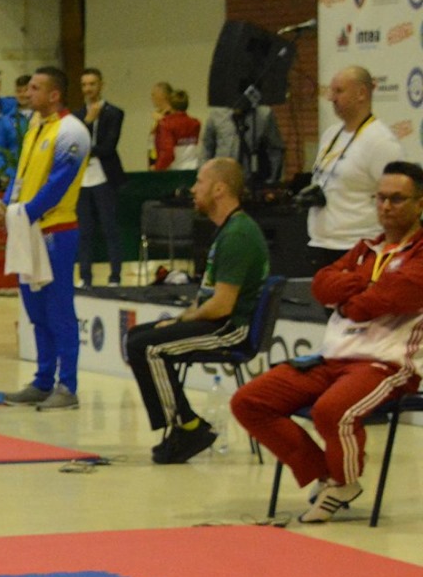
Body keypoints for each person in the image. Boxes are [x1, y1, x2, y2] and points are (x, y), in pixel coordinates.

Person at [233, 161, 423, 523]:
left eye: (397, 199)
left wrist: (350, 296)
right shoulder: (366, 248)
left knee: (331, 411)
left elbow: (381, 300)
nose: (385, 206)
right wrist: (362, 286)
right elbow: (322, 285)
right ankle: (327, 477)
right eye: (380, 198)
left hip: (387, 363)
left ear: (420, 203)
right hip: (333, 358)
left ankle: (343, 481)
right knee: (249, 401)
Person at [123, 158, 270, 464]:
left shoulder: (238, 235)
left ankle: (187, 429)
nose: (193, 189)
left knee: (147, 347)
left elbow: (222, 305)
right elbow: (207, 297)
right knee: (136, 336)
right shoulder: (227, 230)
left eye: (200, 182)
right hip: (217, 321)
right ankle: (186, 425)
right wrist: (179, 320)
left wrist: (184, 319)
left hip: (230, 329)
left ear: (219, 189)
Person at [0, 66, 90, 410]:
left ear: (54, 95)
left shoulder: (72, 131)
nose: (27, 92)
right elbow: (19, 175)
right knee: (36, 309)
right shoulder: (35, 126)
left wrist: (26, 213)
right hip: (27, 226)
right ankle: (42, 380)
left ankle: (67, 386)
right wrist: (8, 208)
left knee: (58, 308)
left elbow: (59, 183)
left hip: (56, 230)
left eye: (35, 88)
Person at [304, 65, 402, 260]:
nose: (331, 98)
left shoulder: (381, 142)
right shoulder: (331, 134)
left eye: (339, 91)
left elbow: (398, 198)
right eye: (331, 91)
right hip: (321, 244)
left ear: (361, 94)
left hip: (357, 247)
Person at [75, 66, 126, 287]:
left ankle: (115, 276)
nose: (88, 89)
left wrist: (87, 149)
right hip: (82, 179)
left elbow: (108, 146)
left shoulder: (114, 113)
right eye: (84, 85)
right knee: (84, 231)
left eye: (92, 84)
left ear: (101, 85)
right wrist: (87, 122)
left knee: (109, 228)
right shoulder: (76, 116)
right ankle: (85, 276)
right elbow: (75, 145)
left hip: (105, 176)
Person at [199, 101, 285, 187]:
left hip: (253, 181)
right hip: (221, 180)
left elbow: (275, 149)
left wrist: (272, 182)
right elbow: (207, 148)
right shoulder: (217, 113)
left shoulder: (264, 114)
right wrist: (203, 178)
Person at [149, 82, 198, 170]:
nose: (151, 98)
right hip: (193, 166)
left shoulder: (166, 123)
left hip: (174, 169)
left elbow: (167, 152)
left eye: (153, 95)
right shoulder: (196, 123)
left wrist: (157, 168)